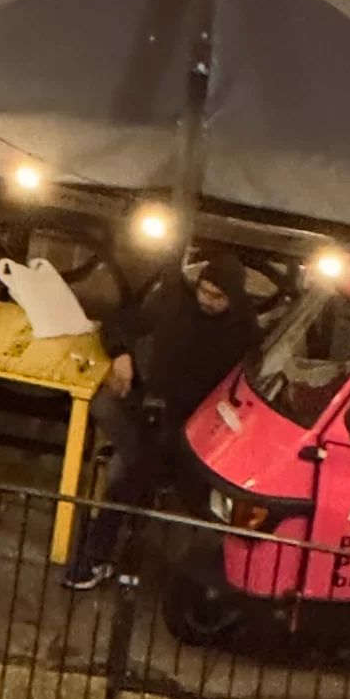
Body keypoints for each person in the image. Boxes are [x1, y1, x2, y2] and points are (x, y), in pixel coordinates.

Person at [65, 251, 257, 589]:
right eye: (205, 291)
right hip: (152, 413)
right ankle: (115, 558)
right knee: (135, 468)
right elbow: (120, 322)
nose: (207, 301)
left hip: (190, 427)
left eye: (217, 297)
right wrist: (122, 354)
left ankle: (98, 556)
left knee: (131, 472)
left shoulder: (243, 333)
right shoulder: (174, 305)